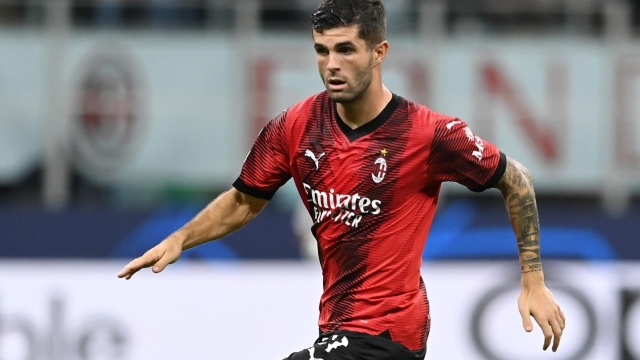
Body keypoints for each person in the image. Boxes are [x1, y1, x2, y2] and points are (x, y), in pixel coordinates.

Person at [117, 1, 566, 359]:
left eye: (346, 49)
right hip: (336, 327)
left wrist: (532, 278)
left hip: (389, 333)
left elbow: (517, 180)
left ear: (379, 52)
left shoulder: (427, 134)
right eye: (322, 50)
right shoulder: (294, 128)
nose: (331, 64)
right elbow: (243, 201)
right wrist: (181, 239)